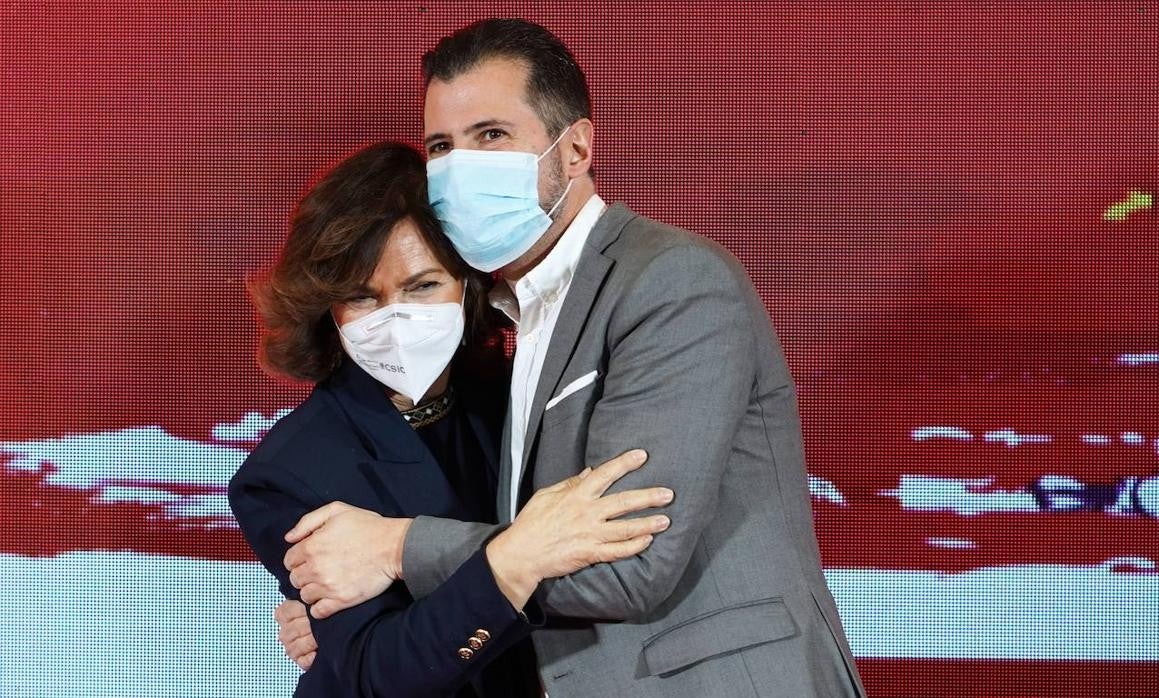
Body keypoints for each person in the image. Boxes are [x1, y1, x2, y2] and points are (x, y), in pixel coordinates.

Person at [276, 18, 867, 696]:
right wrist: (368, 620)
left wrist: (392, 551)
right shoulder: (514, 323)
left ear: (577, 147)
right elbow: (535, 543)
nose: (461, 167)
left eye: (491, 135)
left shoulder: (670, 281)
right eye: (442, 146)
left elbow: (626, 565)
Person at [228, 141, 674, 697]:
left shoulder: (522, 398)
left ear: (469, 285)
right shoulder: (287, 469)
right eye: (362, 297)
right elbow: (381, 671)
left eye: (422, 285)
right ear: (327, 308)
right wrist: (516, 558)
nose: (395, 318)